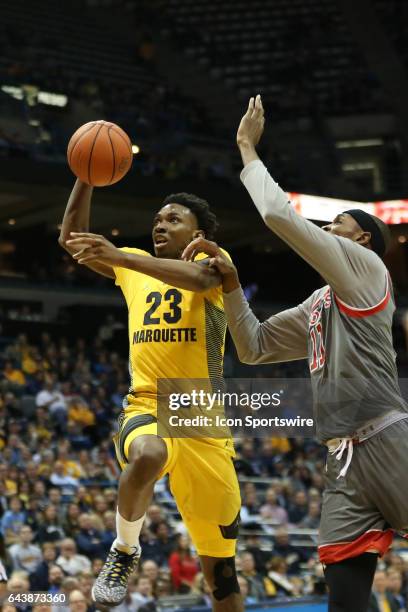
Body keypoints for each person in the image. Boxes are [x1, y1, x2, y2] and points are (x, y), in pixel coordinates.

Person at [182, 95, 408, 612]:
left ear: (363, 240)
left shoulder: (369, 271)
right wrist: (234, 283)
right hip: (342, 459)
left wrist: (247, 149)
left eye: (338, 227)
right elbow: (254, 346)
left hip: (388, 439)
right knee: (344, 590)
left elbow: (279, 215)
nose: (329, 231)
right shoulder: (320, 301)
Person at [59, 184, 242, 609]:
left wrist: (120, 256)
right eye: (158, 220)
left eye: (173, 219)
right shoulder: (136, 265)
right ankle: (125, 549)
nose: (161, 225)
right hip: (148, 402)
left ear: (198, 233)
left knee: (223, 575)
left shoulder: (214, 261)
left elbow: (199, 279)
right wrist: (86, 177)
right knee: (147, 454)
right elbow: (71, 240)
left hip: (202, 419)